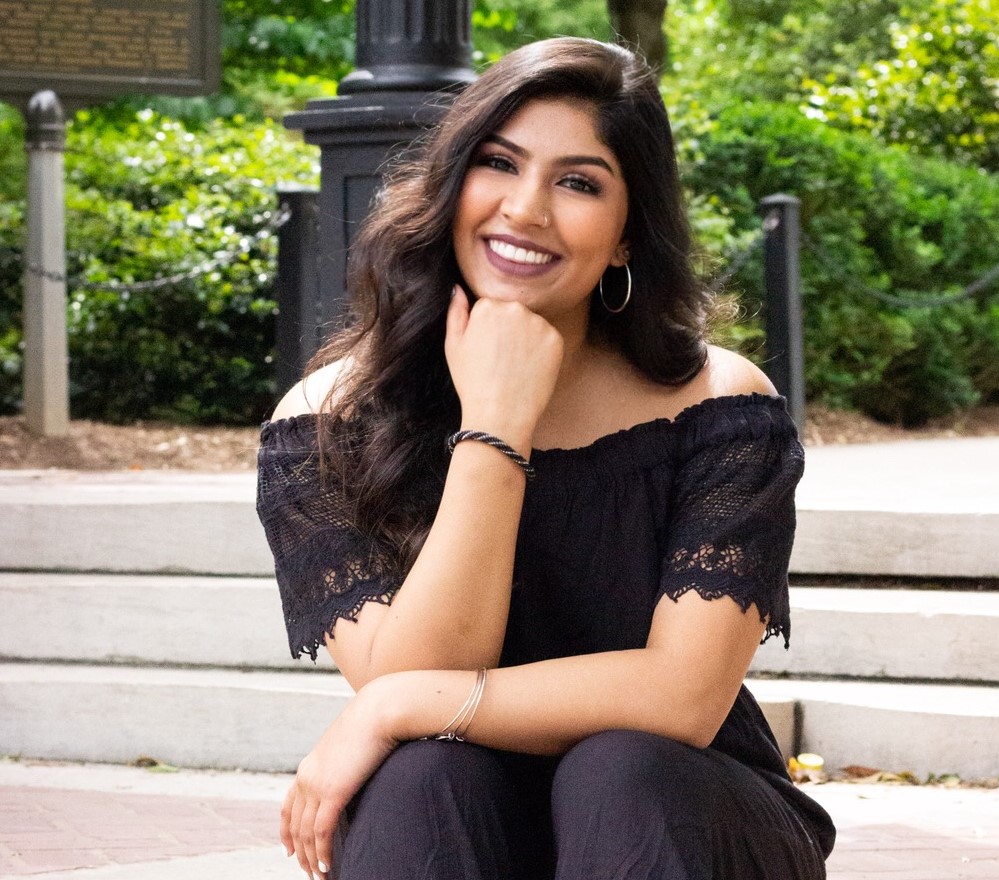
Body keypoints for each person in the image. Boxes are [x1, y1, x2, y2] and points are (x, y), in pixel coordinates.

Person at [257, 36, 835, 880]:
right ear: (452, 184)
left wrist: (396, 702)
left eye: (577, 182)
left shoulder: (716, 406)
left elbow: (680, 699)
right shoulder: (324, 424)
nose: (525, 210)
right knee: (423, 775)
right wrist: (495, 423)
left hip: (678, 816)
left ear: (628, 235)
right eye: (499, 163)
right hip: (454, 821)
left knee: (619, 766)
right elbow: (418, 682)